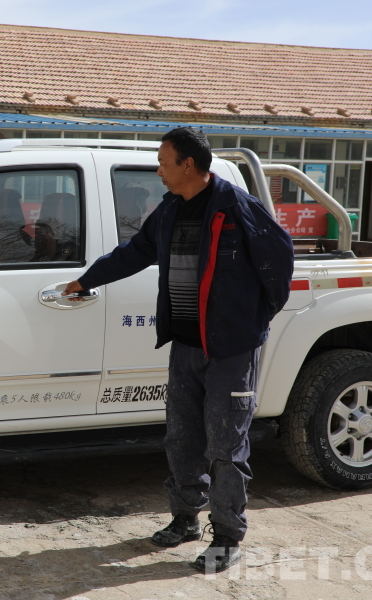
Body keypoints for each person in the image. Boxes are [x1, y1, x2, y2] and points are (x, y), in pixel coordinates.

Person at [63, 127, 294, 573]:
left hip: (230, 350)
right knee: (183, 437)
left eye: (163, 162)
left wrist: (251, 321)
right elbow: (135, 252)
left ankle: (226, 536)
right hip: (186, 346)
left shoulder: (237, 206)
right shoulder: (170, 208)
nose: (159, 170)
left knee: (226, 445)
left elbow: (279, 263)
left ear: (188, 165)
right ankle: (185, 518)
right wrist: (87, 279)